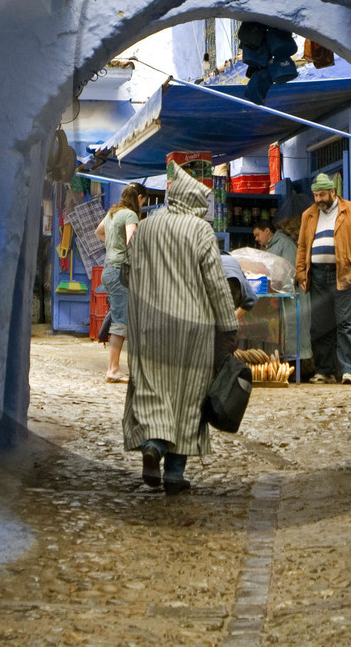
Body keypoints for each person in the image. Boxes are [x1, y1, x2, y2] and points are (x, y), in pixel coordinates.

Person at [122, 164, 239, 493]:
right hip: (192, 326)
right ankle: (174, 473)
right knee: (189, 395)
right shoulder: (200, 231)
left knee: (154, 387)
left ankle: (155, 443)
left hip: (149, 325)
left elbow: (126, 274)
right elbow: (216, 284)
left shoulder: (145, 227)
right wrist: (228, 326)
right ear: (194, 201)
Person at [294, 172, 351, 384]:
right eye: (316, 195)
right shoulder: (308, 215)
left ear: (332, 192)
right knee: (320, 326)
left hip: (345, 273)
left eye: (322, 195)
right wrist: (301, 272)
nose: (319, 199)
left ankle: (349, 370)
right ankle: (324, 371)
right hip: (317, 275)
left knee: (348, 323)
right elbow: (302, 246)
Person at [94, 183, 143, 383]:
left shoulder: (113, 213)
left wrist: (112, 244)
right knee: (121, 320)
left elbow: (98, 232)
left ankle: (118, 367)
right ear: (139, 198)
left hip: (109, 269)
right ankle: (113, 369)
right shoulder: (130, 215)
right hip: (120, 271)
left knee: (120, 315)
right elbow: (132, 241)